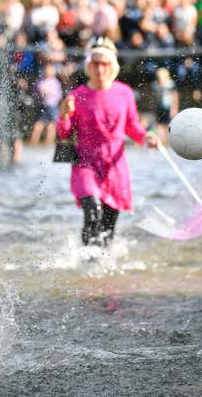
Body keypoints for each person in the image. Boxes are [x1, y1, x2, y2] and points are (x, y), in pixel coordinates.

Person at [57, 37, 159, 246]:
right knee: (92, 210)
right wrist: (64, 115)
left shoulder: (124, 93)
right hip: (85, 164)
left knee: (108, 226)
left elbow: (132, 126)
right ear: (88, 66)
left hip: (115, 166)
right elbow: (65, 134)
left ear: (113, 66)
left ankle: (101, 266)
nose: (100, 69)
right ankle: (86, 260)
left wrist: (146, 137)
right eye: (95, 63)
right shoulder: (76, 96)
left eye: (105, 63)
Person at [151, 67, 179, 144]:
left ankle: (166, 140)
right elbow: (154, 97)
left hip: (168, 107)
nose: (161, 79)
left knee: (167, 124)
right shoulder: (156, 84)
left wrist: (174, 108)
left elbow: (175, 96)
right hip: (159, 107)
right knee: (159, 125)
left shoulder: (170, 84)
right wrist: (153, 106)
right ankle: (161, 140)